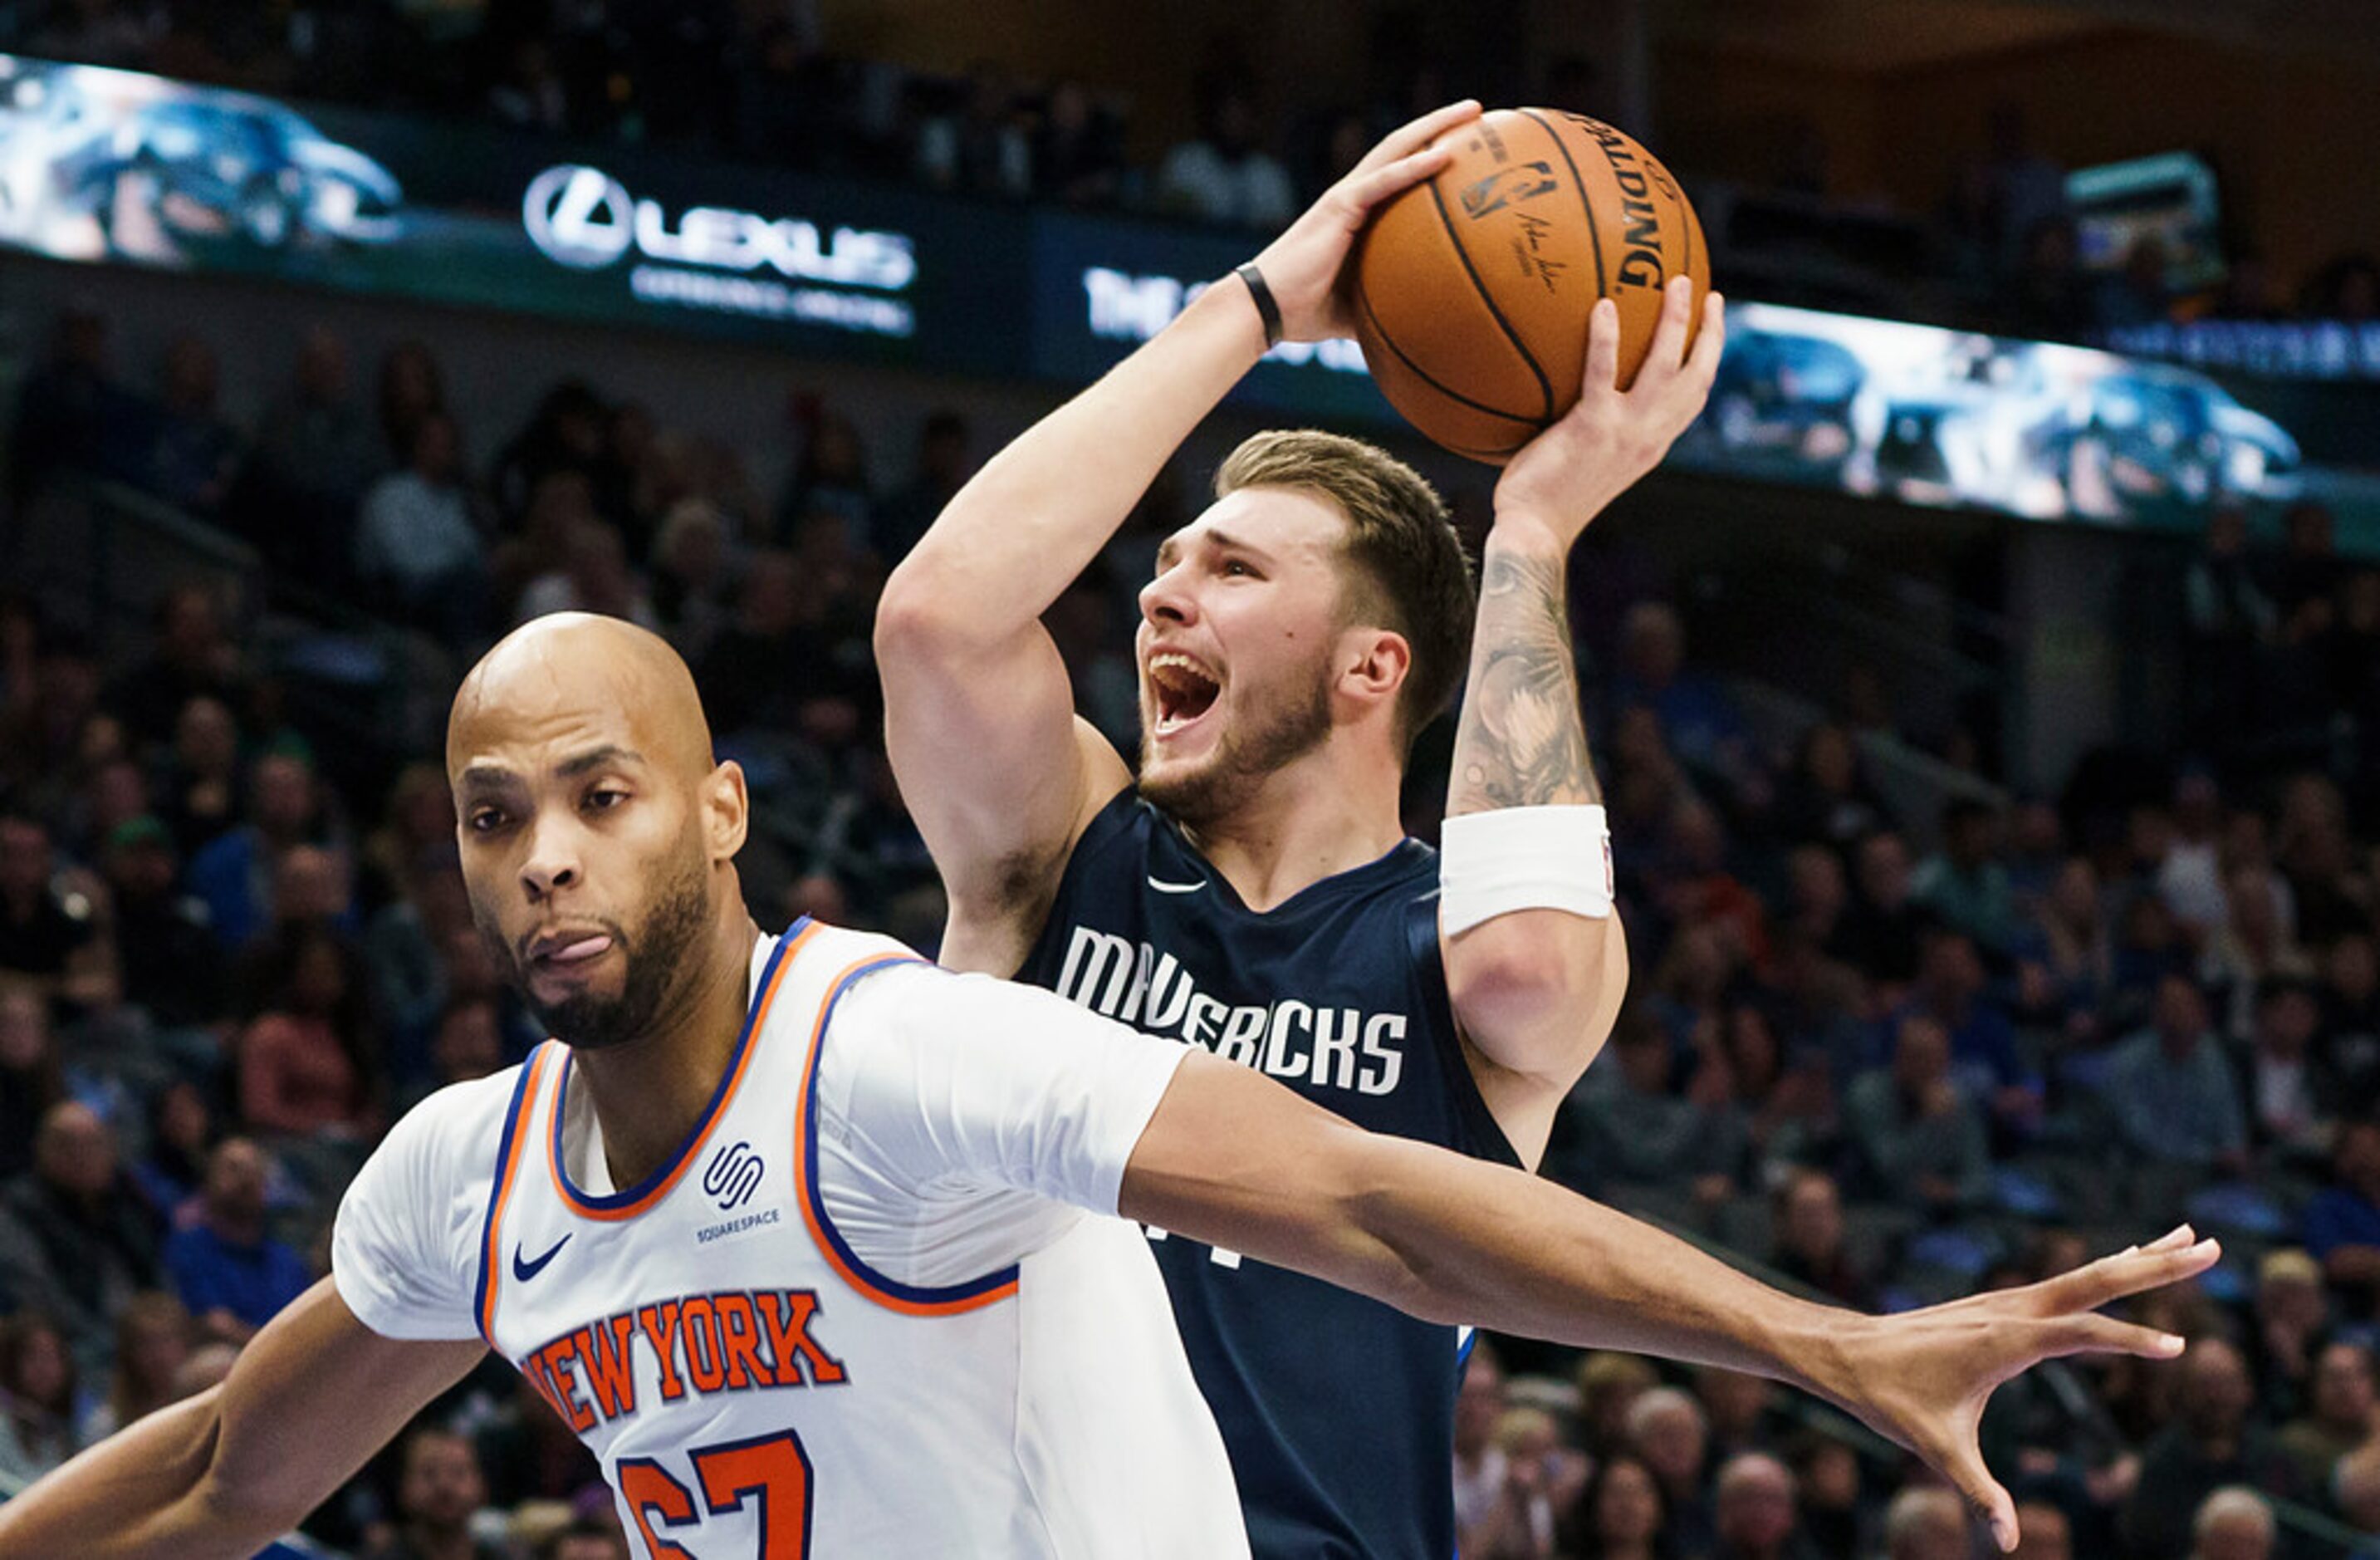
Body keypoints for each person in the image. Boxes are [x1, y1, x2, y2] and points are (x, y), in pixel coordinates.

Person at [0, 612, 2216, 1557]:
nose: (552, 848)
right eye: (498, 814)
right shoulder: (461, 1178)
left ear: (723, 809)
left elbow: (1365, 1195)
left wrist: (1822, 1335)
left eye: (602, 790)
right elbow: (217, 1466)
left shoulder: (894, 1056)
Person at [874, 97, 1701, 1559]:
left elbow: (1520, 959)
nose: (1155, 594)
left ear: (1368, 669)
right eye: (1167, 559)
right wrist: (1252, 305)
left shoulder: (1447, 955)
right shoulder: (1064, 848)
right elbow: (939, 621)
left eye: (1233, 569)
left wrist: (1530, 536)